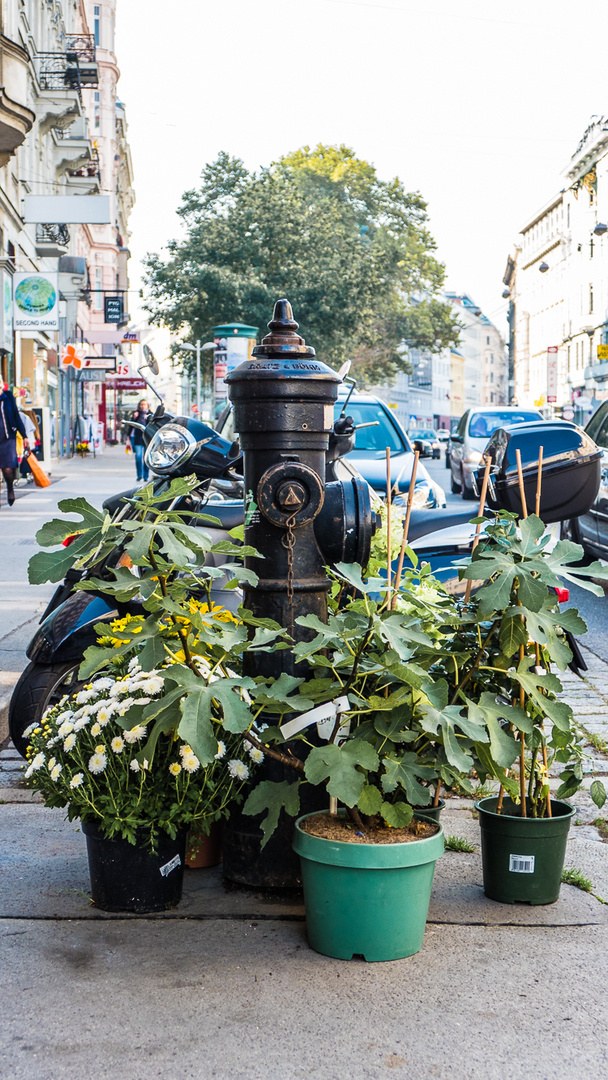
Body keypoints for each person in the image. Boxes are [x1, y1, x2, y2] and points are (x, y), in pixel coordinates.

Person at [0, 385, 29, 506]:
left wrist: (24, 435)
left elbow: (16, 416)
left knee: (7, 468)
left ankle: (10, 489)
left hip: (8, 438)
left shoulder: (8, 397)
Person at [129, 399, 152, 481]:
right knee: (138, 456)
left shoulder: (151, 415)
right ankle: (139, 475)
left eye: (144, 404)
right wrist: (134, 418)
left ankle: (146, 476)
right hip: (138, 438)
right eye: (141, 404)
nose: (143, 406)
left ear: (147, 406)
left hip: (147, 438)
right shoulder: (136, 414)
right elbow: (131, 426)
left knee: (146, 458)